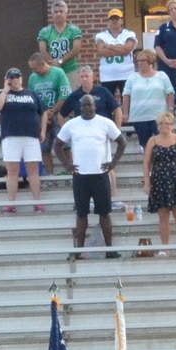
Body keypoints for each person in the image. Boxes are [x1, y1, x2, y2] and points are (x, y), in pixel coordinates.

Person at [57, 93, 123, 254]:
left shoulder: (105, 123)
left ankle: (110, 249)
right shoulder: (72, 124)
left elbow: (122, 142)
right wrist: (67, 164)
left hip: (100, 175)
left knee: (104, 213)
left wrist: (113, 162)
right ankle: (80, 250)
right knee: (81, 214)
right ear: (80, 107)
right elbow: (57, 145)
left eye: (90, 105)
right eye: (84, 105)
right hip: (80, 175)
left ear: (95, 106)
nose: (87, 108)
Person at [0, 67, 48, 212]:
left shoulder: (31, 94)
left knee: (33, 169)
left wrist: (42, 130)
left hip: (31, 136)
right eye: (11, 78)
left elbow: (43, 112)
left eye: (17, 77)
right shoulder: (4, 94)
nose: (15, 80)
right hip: (11, 136)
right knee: (12, 170)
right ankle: (11, 203)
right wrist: (6, 90)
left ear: (21, 78)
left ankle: (37, 201)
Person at [144, 121, 176, 251]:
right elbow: (146, 162)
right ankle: (165, 248)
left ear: (172, 125)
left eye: (167, 123)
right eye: (161, 124)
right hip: (159, 181)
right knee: (163, 215)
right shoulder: (153, 141)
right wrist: (147, 182)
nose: (163, 126)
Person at [123, 47, 175, 156]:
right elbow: (126, 95)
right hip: (139, 116)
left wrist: (170, 110)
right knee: (145, 144)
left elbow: (169, 92)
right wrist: (126, 113)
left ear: (150, 61)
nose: (139, 63)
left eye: (142, 61)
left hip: (158, 115)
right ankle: (149, 167)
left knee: (162, 141)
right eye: (138, 61)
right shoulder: (132, 77)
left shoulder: (161, 75)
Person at [94, 7, 140, 96]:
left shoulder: (129, 34)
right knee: (107, 102)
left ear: (121, 20)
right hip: (107, 76)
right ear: (108, 21)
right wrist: (120, 49)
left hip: (126, 74)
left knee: (128, 100)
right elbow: (101, 51)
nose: (114, 21)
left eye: (117, 18)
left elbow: (127, 49)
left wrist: (109, 46)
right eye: (112, 19)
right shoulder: (101, 35)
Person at [37, 0, 84, 71]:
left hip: (70, 69)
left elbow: (76, 49)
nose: (58, 14)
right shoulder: (44, 31)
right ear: (52, 14)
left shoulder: (74, 30)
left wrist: (60, 61)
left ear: (66, 14)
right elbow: (43, 51)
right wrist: (53, 62)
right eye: (56, 12)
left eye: (61, 11)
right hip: (52, 69)